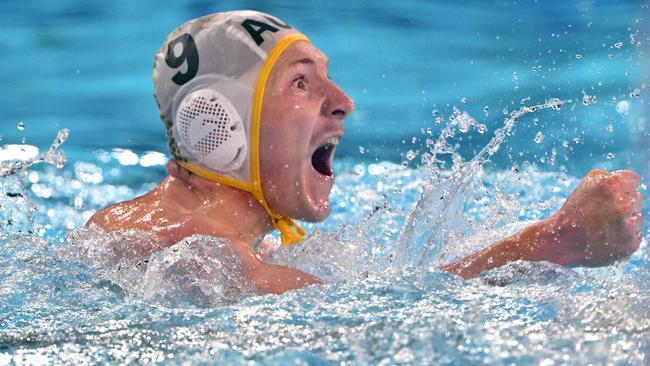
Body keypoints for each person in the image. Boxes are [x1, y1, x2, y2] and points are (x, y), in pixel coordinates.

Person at [88, 10, 644, 294]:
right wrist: (553, 242)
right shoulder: (198, 252)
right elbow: (373, 319)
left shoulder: (135, 222)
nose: (344, 102)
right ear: (220, 124)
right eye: (301, 84)